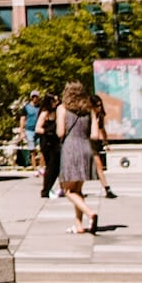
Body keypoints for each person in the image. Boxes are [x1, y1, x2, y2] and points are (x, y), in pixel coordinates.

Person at [56, 81, 98, 235]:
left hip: (70, 148)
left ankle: (90, 213)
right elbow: (95, 135)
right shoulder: (89, 110)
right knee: (78, 189)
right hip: (86, 148)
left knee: (67, 190)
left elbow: (60, 132)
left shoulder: (62, 109)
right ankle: (78, 225)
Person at [89, 93, 117, 200]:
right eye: (97, 105)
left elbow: (102, 130)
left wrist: (105, 143)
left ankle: (107, 188)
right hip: (85, 142)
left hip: (93, 144)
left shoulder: (99, 116)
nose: (99, 108)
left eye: (100, 105)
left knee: (99, 166)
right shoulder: (87, 116)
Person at [37, 89, 62, 199]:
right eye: (55, 100)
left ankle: (50, 187)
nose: (57, 102)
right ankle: (46, 189)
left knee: (56, 166)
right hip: (47, 141)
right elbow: (38, 128)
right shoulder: (45, 113)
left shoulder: (57, 112)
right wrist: (48, 131)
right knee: (51, 166)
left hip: (55, 142)